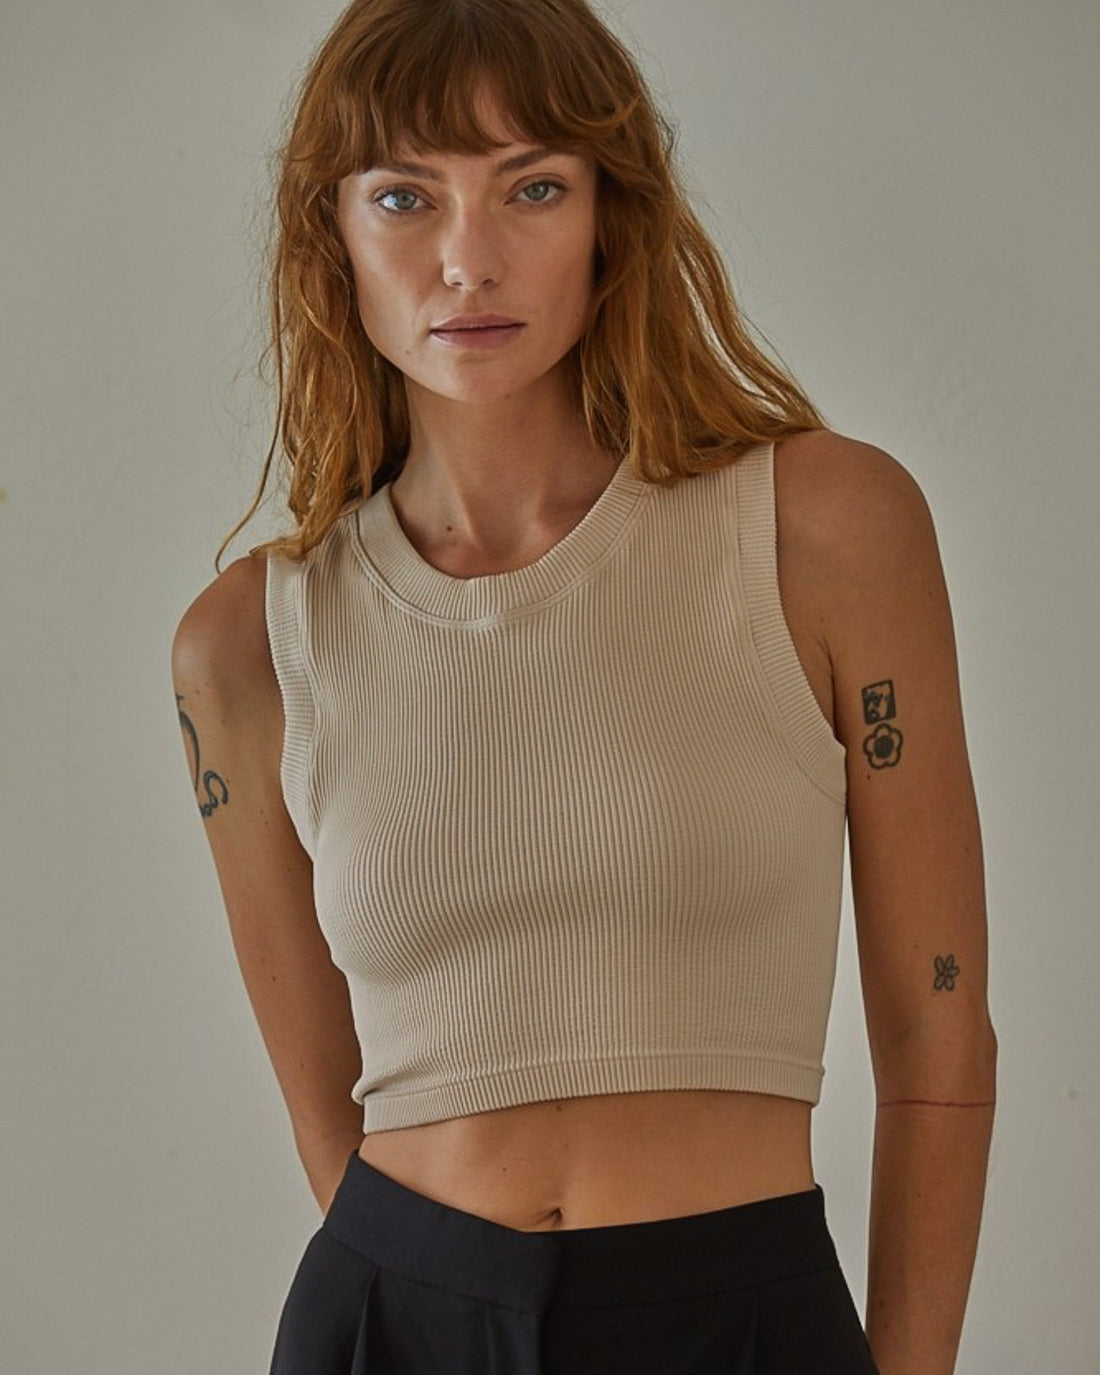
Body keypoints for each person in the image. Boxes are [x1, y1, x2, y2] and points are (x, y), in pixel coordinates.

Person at [170, 1, 997, 1370]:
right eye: (404, 197)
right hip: (397, 1316)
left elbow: (940, 1048)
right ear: (332, 236)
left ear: (614, 215)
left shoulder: (827, 530)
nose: (467, 260)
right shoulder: (247, 644)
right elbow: (331, 1123)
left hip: (740, 1315)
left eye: (533, 187)